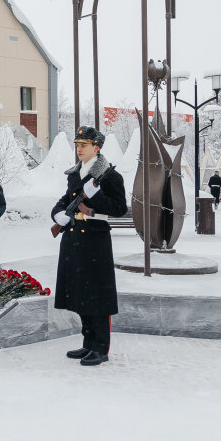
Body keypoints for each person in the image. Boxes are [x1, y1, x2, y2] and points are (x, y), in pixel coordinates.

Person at [51, 126, 127, 367]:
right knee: (80, 293)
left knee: (97, 295)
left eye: (84, 145)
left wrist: (94, 196)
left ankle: (101, 347)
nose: (79, 148)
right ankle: (88, 342)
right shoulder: (74, 174)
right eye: (77, 144)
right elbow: (65, 200)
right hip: (74, 239)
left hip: (95, 239)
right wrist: (57, 215)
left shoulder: (110, 175)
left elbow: (118, 208)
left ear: (97, 147)